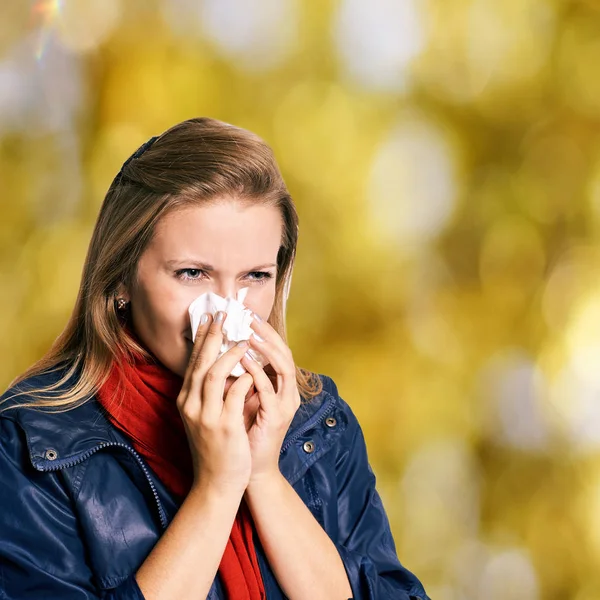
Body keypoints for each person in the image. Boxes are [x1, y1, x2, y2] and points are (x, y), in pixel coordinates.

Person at [0, 117, 429, 600]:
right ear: (120, 278)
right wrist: (216, 489)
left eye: (255, 276)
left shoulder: (319, 428)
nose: (228, 312)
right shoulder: (30, 445)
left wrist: (264, 474)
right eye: (192, 273)